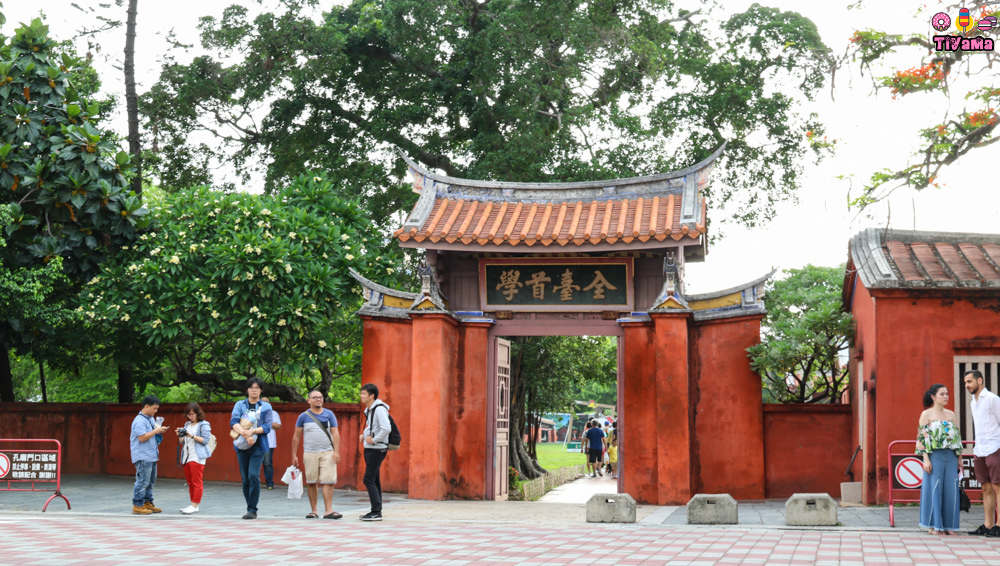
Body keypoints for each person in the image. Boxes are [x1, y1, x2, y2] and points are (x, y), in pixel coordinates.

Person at [916, 384, 962, 535]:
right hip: (934, 455)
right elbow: (922, 438)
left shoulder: (951, 415)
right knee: (934, 488)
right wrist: (926, 459)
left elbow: (957, 438)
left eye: (947, 394)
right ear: (933, 396)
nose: (946, 396)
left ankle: (950, 526)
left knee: (951, 489)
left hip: (951, 455)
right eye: (942, 394)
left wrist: (959, 458)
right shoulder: (926, 415)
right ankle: (933, 525)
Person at [291, 390, 342, 519]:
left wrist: (336, 451)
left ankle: (328, 511)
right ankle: (314, 511)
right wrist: (294, 455)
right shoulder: (303, 416)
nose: (318, 399)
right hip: (310, 453)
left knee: (328, 481)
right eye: (315, 398)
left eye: (320, 397)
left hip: (328, 453)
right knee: (312, 482)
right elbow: (296, 437)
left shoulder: (329, 414)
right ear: (309, 400)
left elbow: (335, 433)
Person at [230, 377, 274, 520]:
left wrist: (253, 432)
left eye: (257, 388)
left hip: (259, 445)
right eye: (251, 387)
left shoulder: (266, 407)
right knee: (245, 479)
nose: (254, 390)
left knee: (253, 475)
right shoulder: (240, 404)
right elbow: (234, 422)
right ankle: (249, 506)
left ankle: (252, 509)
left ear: (261, 390)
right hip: (241, 445)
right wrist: (244, 433)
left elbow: (267, 426)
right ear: (247, 390)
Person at [964, 369, 1000, 537]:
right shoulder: (973, 402)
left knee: (997, 486)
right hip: (980, 448)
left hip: (995, 447)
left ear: (980, 381)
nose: (967, 385)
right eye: (965, 383)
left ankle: (999, 525)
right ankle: (988, 524)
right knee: (985, 487)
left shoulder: (993, 399)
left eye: (969, 382)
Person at [130, 394, 170, 515]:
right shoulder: (139, 421)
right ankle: (137, 504)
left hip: (152, 455)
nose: (156, 411)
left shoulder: (151, 419)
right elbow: (142, 437)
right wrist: (155, 431)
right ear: (147, 406)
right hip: (142, 456)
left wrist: (159, 430)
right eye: (155, 408)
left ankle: (147, 502)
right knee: (142, 481)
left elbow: (152, 434)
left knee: (150, 482)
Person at [359, 383, 390, 521]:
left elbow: (386, 428)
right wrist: (365, 435)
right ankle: (376, 510)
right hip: (371, 448)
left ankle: (376, 511)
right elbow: (373, 427)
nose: (361, 396)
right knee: (374, 479)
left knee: (368, 479)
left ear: (372, 396)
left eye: (364, 394)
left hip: (377, 448)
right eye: (361, 393)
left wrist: (374, 440)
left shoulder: (379, 409)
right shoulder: (370, 410)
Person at [176, 402, 212, 515]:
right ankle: (193, 504)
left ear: (198, 413)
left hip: (197, 456)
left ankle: (194, 505)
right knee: (190, 482)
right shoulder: (187, 425)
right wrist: (180, 435)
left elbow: (205, 440)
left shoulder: (204, 424)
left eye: (192, 414)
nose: (190, 416)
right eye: (188, 414)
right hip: (186, 456)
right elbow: (182, 442)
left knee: (197, 481)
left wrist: (191, 435)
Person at [261, 397, 282, 490]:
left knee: (267, 462)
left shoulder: (274, 413)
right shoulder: (255, 413)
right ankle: (253, 483)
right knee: (255, 462)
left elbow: (278, 426)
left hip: (269, 442)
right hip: (256, 441)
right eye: (262, 402)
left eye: (266, 402)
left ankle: (269, 483)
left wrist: (267, 422)